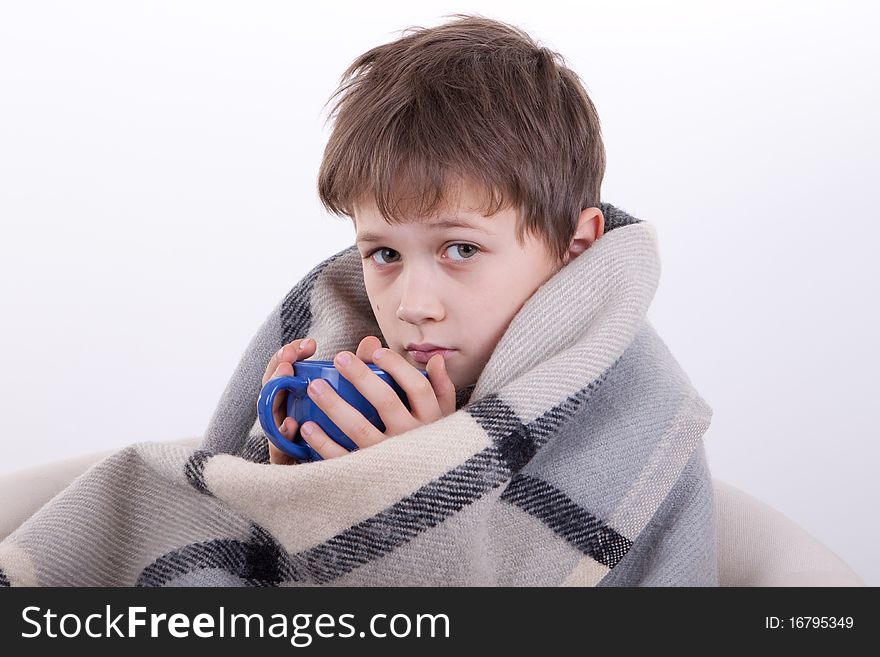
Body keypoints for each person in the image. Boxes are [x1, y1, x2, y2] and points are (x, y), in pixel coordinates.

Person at [260, 14, 607, 466]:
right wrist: (292, 486)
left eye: (462, 249)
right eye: (385, 254)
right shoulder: (329, 339)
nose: (413, 307)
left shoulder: (642, 425)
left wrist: (425, 484)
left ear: (573, 248)